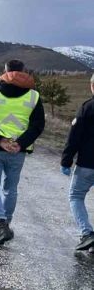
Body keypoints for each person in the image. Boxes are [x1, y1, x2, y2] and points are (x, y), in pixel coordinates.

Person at [0, 60, 44, 246]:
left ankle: (0, 224)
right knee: (10, 189)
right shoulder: (34, 96)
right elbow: (38, 125)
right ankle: (5, 224)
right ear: (23, 71)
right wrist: (20, 144)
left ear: (5, 71)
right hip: (17, 151)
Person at [61, 73, 94, 251]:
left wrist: (66, 161)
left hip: (87, 163)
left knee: (76, 196)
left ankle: (87, 233)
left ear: (92, 86)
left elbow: (74, 137)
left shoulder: (87, 107)